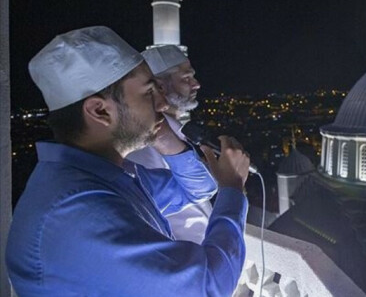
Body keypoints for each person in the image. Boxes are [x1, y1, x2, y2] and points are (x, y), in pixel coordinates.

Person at [6, 26, 250, 297]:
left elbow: (198, 188)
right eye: (148, 93)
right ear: (100, 110)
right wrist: (233, 191)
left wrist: (169, 142)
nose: (161, 104)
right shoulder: (78, 209)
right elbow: (208, 287)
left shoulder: (107, 178)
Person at [127, 45, 212, 243]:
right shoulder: (145, 141)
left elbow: (201, 188)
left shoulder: (174, 131)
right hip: (179, 256)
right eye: (186, 78)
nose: (196, 84)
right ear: (160, 87)